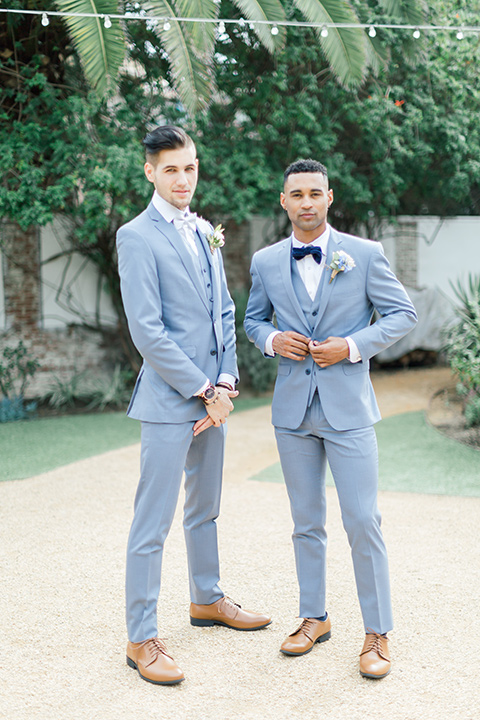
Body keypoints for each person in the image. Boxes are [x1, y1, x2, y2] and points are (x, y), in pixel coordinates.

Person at [244, 159, 417, 679]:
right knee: (305, 523)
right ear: (283, 200)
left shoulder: (363, 255)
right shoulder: (266, 261)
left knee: (363, 520)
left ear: (329, 197)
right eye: (296, 194)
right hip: (292, 412)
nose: (306, 203)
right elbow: (253, 320)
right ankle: (313, 617)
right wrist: (273, 340)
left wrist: (352, 346)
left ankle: (377, 634)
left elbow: (401, 314)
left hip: (348, 410)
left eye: (315, 193)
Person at [116, 126, 271, 686]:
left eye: (191, 168)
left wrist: (226, 382)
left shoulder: (206, 231)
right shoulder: (135, 236)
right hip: (168, 401)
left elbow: (224, 313)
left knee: (205, 508)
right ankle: (141, 637)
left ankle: (207, 599)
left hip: (216, 399)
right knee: (151, 522)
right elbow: (148, 332)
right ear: (150, 171)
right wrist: (203, 390)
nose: (184, 179)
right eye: (172, 169)